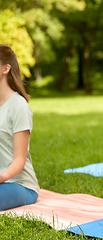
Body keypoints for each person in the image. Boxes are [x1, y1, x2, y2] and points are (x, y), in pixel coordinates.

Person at [0, 44, 40, 211]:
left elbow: (19, 160)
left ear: (6, 69)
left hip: (20, 185)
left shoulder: (19, 106)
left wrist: (1, 177)